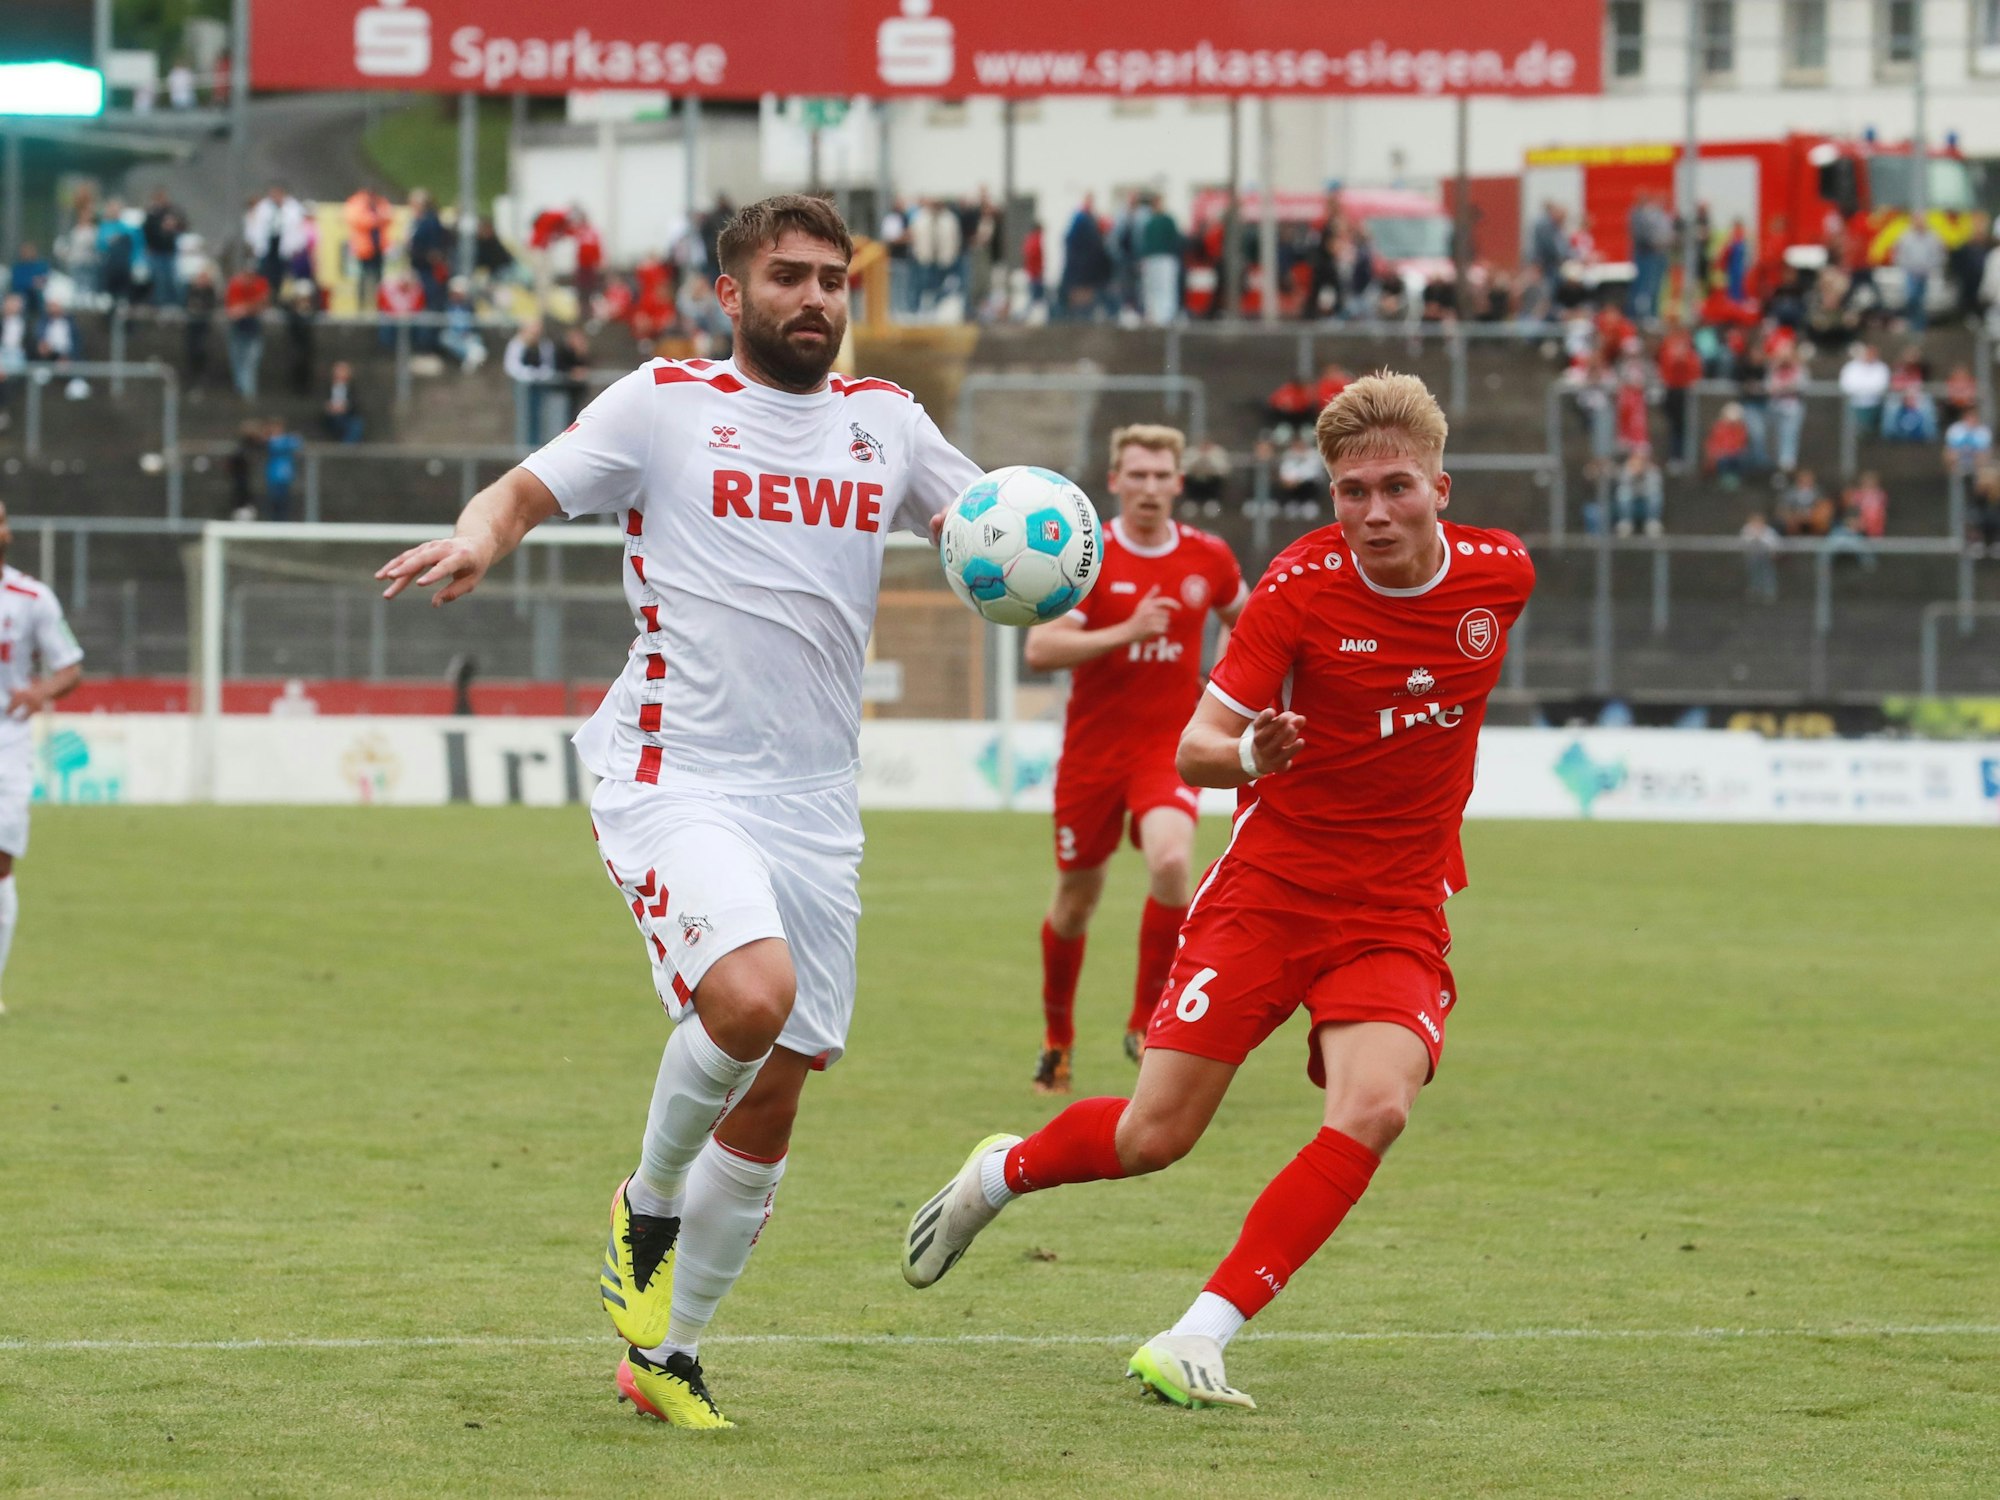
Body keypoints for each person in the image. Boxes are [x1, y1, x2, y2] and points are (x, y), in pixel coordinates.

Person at [375, 195, 986, 1430]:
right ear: (731, 294)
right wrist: (479, 536)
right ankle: (646, 1202)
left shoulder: (890, 426)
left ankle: (670, 1356)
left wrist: (1099, 601)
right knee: (748, 1001)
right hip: (677, 770)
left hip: (815, 803)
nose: (814, 297)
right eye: (787, 276)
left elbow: (1000, 548)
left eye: (831, 278)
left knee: (775, 1088)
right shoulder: (663, 402)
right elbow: (524, 490)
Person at [900, 372, 1535, 1411]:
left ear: (1438, 488)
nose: (1372, 512)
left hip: (1394, 908)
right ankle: (999, 1174)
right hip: (1270, 892)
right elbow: (1195, 750)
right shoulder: (1298, 586)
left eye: (1394, 488)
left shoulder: (1501, 575)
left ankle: (1199, 1335)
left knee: (1374, 1105)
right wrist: (1252, 754)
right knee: (1152, 1138)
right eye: (1348, 491)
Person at [1020, 426, 1246, 1093]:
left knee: (1174, 861)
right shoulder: (1086, 556)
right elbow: (1040, 650)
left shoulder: (1209, 558)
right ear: (1114, 481)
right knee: (1074, 904)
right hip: (1092, 755)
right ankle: (1057, 1041)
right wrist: (1127, 629)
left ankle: (1147, 1023)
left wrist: (1229, 679)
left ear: (1180, 482)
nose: (1149, 488)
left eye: (1161, 475)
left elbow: (1254, 618)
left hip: (1166, 749)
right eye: (1137, 475)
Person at [0, 494, 86, 1017]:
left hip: (5, 743)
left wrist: (41, 693)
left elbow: (70, 666)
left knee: (0, 865)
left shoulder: (30, 597)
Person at [502, 319, 556, 447]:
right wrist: (528, 374)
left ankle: (537, 445)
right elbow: (511, 366)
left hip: (539, 386)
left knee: (540, 417)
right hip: (522, 387)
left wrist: (540, 375)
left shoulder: (544, 344)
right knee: (524, 417)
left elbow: (548, 365)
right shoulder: (517, 343)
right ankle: (524, 446)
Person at [223, 260, 270, 399]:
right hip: (237, 328)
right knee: (237, 360)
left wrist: (246, 308)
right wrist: (249, 308)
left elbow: (262, 304)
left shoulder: (260, 283)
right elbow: (233, 312)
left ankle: (248, 393)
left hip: (253, 329)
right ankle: (241, 390)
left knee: (251, 361)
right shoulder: (235, 284)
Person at [344, 185, 394, 310]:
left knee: (379, 279)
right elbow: (358, 219)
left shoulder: (380, 202)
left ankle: (379, 305)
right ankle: (362, 306)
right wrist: (375, 219)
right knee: (363, 278)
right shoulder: (357, 203)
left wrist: (376, 219)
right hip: (364, 249)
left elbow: (389, 216)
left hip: (378, 248)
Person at [1137, 194, 1183, 326]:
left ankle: (1165, 316)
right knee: (1154, 287)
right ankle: (1155, 315)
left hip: (1165, 258)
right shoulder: (1149, 222)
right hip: (1154, 258)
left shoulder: (1165, 221)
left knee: (1165, 287)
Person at [1894, 220, 1944, 332]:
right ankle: (1913, 323)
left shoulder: (1932, 238)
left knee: (1920, 301)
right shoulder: (1906, 237)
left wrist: (1928, 268)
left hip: (1924, 275)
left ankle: (1919, 326)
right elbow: (1900, 254)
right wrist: (1909, 268)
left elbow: (1938, 255)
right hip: (1910, 274)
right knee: (1911, 298)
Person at [140, 190, 185, 307]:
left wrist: (173, 225)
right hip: (156, 253)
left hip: (169, 253)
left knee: (171, 280)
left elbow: (183, 226)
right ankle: (159, 305)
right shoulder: (151, 216)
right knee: (158, 281)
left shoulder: (173, 213)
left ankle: (173, 304)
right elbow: (147, 232)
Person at [1838, 343, 1890, 436]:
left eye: (1873, 354)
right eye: (1868, 353)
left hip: (1874, 403)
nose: (1870, 356)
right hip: (1854, 402)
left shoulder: (1881, 367)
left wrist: (1864, 389)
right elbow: (1846, 384)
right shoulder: (1851, 367)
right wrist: (1864, 389)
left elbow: (1881, 385)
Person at [1613, 446, 1664, 536]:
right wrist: (1632, 474)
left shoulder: (1653, 470)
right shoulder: (1626, 469)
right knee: (1623, 493)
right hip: (1631, 499)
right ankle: (1625, 523)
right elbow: (1621, 483)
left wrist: (1643, 474)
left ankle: (1652, 523)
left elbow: (1656, 486)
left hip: (1646, 499)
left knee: (1655, 494)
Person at [263, 420, 301, 521]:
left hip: (284, 474)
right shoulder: (271, 441)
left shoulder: (285, 440)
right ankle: (276, 520)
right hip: (274, 475)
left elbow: (297, 444)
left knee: (284, 499)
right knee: (275, 499)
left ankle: (283, 520)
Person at [1740, 512, 1780, 603]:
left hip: (1766, 556)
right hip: (1753, 556)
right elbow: (1744, 542)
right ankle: (1755, 591)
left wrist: (1773, 552)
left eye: (1759, 521)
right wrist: (1754, 537)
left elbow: (1774, 543)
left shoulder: (1769, 530)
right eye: (1755, 521)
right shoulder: (1747, 529)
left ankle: (1769, 593)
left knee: (1767, 573)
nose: (1757, 523)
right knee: (1754, 573)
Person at [323, 360, 364, 443]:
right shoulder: (325, 388)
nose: (340, 373)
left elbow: (357, 404)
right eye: (339, 370)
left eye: (343, 371)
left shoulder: (353, 389)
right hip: (330, 418)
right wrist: (329, 408)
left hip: (346, 417)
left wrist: (346, 407)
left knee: (357, 424)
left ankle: (346, 450)